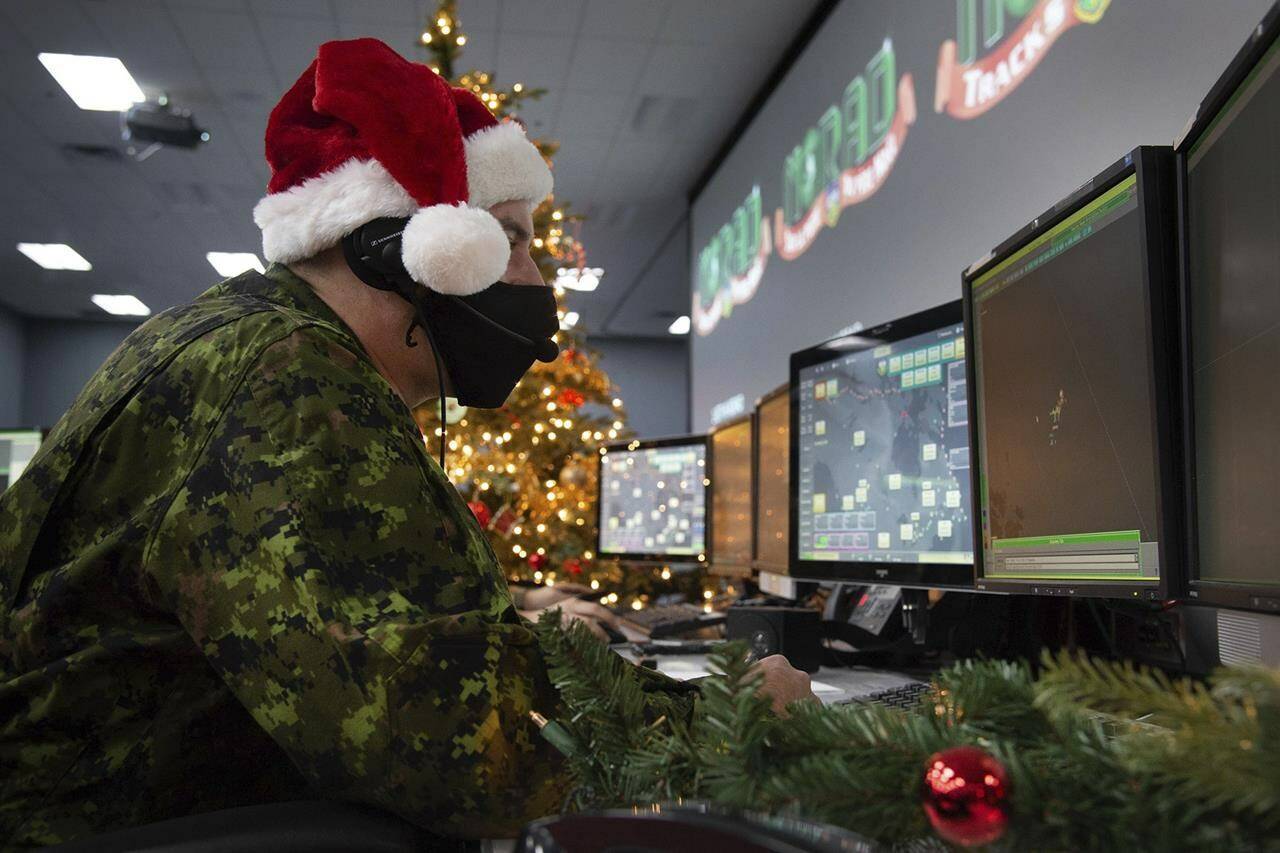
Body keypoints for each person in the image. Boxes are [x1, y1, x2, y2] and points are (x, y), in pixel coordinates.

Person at [0, 38, 815, 849]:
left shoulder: (249, 341)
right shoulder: (288, 377)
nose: (536, 283)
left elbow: (390, 635)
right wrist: (733, 714)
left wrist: (532, 623)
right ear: (400, 249)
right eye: (513, 239)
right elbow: (447, 734)